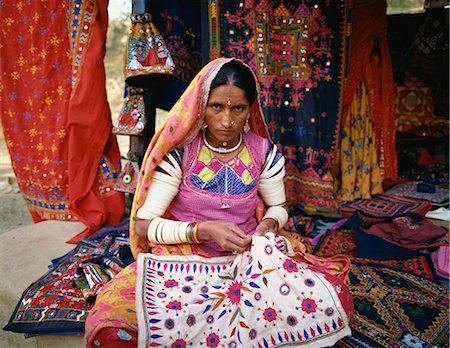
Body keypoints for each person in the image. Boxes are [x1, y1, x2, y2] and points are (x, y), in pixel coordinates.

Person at [85, 57, 353, 347]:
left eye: (238, 108)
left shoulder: (264, 154)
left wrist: (267, 225)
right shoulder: (180, 156)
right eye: (217, 107)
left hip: (247, 257)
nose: (227, 120)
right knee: (113, 327)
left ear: (250, 109)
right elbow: (143, 226)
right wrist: (203, 230)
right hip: (183, 259)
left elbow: (279, 208)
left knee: (333, 300)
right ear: (201, 106)